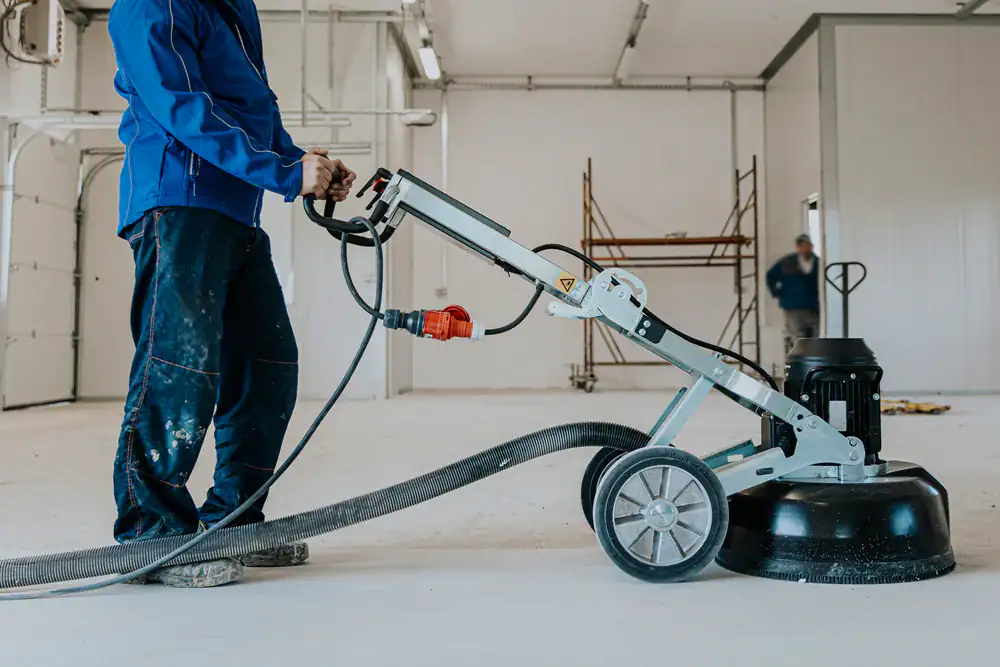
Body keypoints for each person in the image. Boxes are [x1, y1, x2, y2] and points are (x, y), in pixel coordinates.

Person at [107, 0, 356, 588]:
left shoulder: (229, 9)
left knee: (268, 364)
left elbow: (249, 109)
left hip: (235, 212)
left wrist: (300, 161)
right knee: (178, 367)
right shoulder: (151, 4)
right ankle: (154, 534)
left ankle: (235, 519)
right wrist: (284, 175)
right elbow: (182, 108)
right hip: (180, 203)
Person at [766, 234, 820, 354]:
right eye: (802, 246)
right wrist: (778, 293)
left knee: (816, 338)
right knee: (797, 338)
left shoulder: (819, 263)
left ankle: (813, 364)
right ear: (798, 247)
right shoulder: (786, 263)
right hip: (793, 306)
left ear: (812, 246)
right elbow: (770, 276)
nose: (805, 248)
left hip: (814, 307)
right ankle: (799, 365)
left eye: (807, 245)